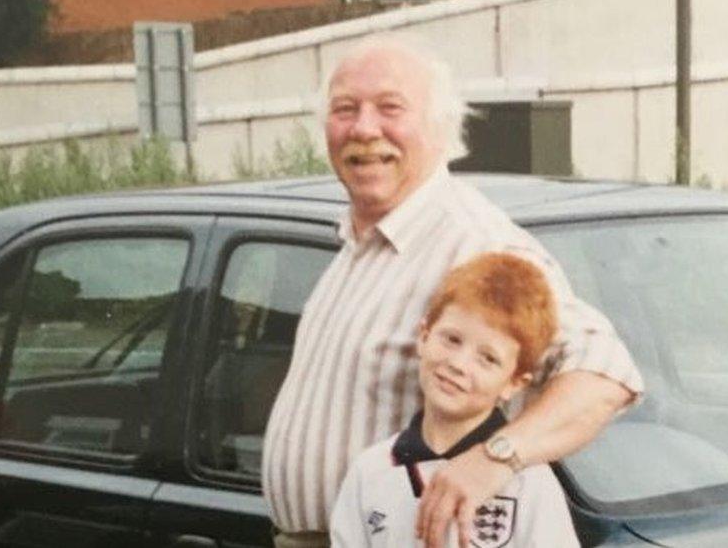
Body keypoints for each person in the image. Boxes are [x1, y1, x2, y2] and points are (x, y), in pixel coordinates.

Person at [261, 35, 644, 548]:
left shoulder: (473, 241)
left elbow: (605, 372)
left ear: (441, 129)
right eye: (345, 109)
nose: (364, 128)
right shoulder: (360, 240)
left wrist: (495, 459)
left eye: (390, 108)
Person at [330, 252, 579, 547]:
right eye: (452, 340)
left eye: (487, 358)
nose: (459, 364)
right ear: (424, 336)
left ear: (514, 383)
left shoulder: (529, 483)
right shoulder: (370, 472)